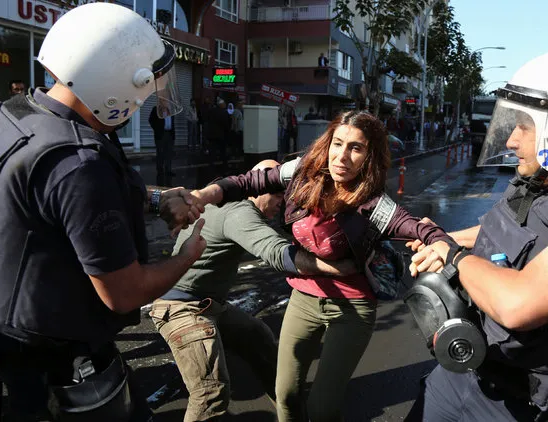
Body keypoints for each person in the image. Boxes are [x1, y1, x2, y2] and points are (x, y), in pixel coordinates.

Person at [0, 4, 206, 421]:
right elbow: (123, 293)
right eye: (147, 88)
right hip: (51, 356)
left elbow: (53, 203)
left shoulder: (15, 115)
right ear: (117, 84)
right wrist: (187, 255)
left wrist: (152, 198)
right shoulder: (80, 163)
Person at [405, 50, 548, 421]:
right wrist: (443, 237)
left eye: (524, 126)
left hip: (527, 404)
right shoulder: (544, 185)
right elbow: (505, 230)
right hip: (466, 374)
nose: (511, 140)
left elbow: (518, 304)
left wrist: (454, 257)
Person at [192, 110, 452, 422]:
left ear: (369, 156)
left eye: (355, 148)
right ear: (327, 143)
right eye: (337, 144)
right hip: (303, 299)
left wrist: (440, 243)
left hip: (352, 307)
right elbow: (249, 181)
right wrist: (204, 194)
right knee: (285, 395)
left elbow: (420, 228)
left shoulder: (374, 206)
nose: (342, 156)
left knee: (321, 409)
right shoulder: (301, 173)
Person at [152, 159, 362, 421]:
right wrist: (337, 267)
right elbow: (275, 252)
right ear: (257, 187)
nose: (281, 203)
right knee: (210, 393)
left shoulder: (225, 194)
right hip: (182, 308)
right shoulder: (239, 212)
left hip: (209, 303)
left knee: (258, 338)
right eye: (276, 195)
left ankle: (292, 410)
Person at [149, 104, 176, 185]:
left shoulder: (170, 109)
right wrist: (157, 129)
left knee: (169, 153)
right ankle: (160, 171)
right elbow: (151, 120)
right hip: (161, 134)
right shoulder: (156, 109)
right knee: (160, 153)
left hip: (169, 133)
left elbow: (172, 121)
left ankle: (168, 170)